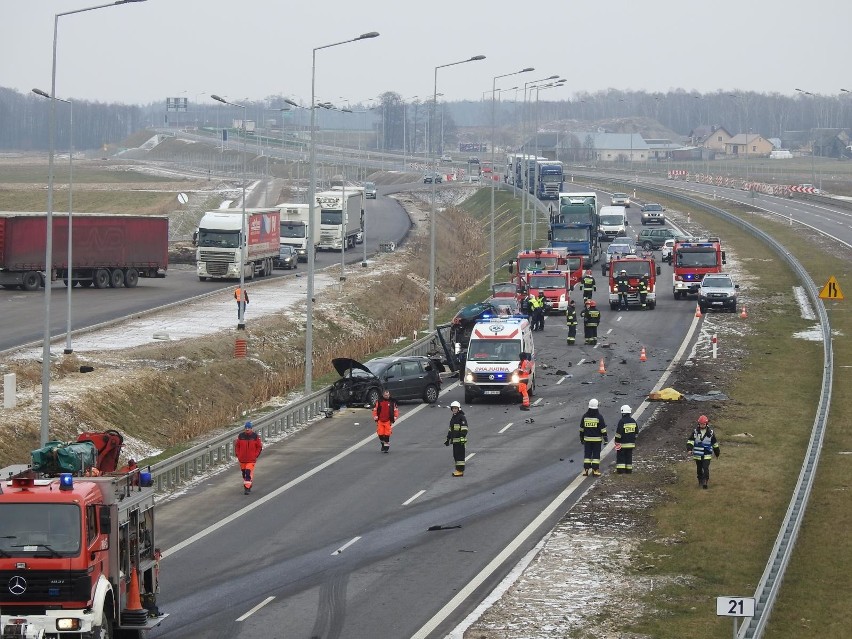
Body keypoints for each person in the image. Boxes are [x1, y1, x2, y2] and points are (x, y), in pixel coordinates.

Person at [687, 414, 720, 489]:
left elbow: (714, 443)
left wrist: (717, 452)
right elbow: (690, 441)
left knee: (705, 467)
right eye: (701, 424)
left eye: (704, 424)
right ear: (699, 424)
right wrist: (689, 449)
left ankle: (705, 482)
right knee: (699, 468)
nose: (702, 425)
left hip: (707, 454)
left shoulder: (711, 432)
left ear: (706, 424)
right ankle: (700, 480)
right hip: (697, 454)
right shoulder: (695, 432)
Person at [580, 398, 608, 476]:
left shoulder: (585, 416)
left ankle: (586, 470)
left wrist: (581, 438)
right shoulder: (599, 417)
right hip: (597, 440)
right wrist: (605, 439)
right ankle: (595, 470)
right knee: (596, 455)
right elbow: (603, 429)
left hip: (587, 440)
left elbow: (581, 429)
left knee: (587, 455)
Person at [234, 421, 263, 494]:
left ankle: (246, 488)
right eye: (246, 428)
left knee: (248, 472)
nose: (247, 429)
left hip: (251, 459)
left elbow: (259, 447)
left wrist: (255, 455)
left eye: (249, 428)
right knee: (244, 473)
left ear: (251, 429)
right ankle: (248, 484)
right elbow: (237, 446)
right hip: (242, 459)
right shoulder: (241, 436)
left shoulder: (255, 437)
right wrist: (238, 454)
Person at [445, 401, 469, 477]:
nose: (454, 410)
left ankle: (460, 471)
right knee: (455, 455)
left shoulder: (461, 417)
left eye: (455, 408)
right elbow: (451, 429)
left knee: (460, 457)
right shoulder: (453, 417)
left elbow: (464, 428)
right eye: (453, 408)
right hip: (455, 441)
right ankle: (458, 470)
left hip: (460, 441)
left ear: (458, 408)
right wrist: (448, 438)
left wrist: (462, 436)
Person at [614, 405, 638, 474]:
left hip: (622, 444)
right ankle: (629, 470)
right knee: (629, 457)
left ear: (623, 413)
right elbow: (636, 432)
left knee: (621, 456)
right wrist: (633, 439)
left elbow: (619, 433)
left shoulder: (622, 421)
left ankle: (621, 471)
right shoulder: (633, 421)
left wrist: (617, 441)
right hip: (631, 444)